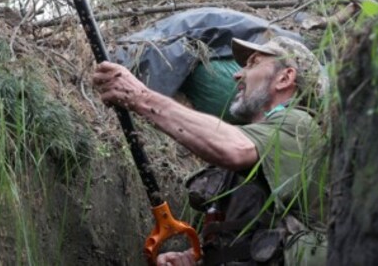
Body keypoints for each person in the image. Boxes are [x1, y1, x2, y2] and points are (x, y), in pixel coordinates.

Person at [93, 35, 328, 266]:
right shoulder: (247, 147)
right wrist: (193, 258)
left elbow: (235, 148)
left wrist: (141, 97)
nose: (238, 74)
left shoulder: (300, 126)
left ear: (285, 78)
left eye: (253, 63)